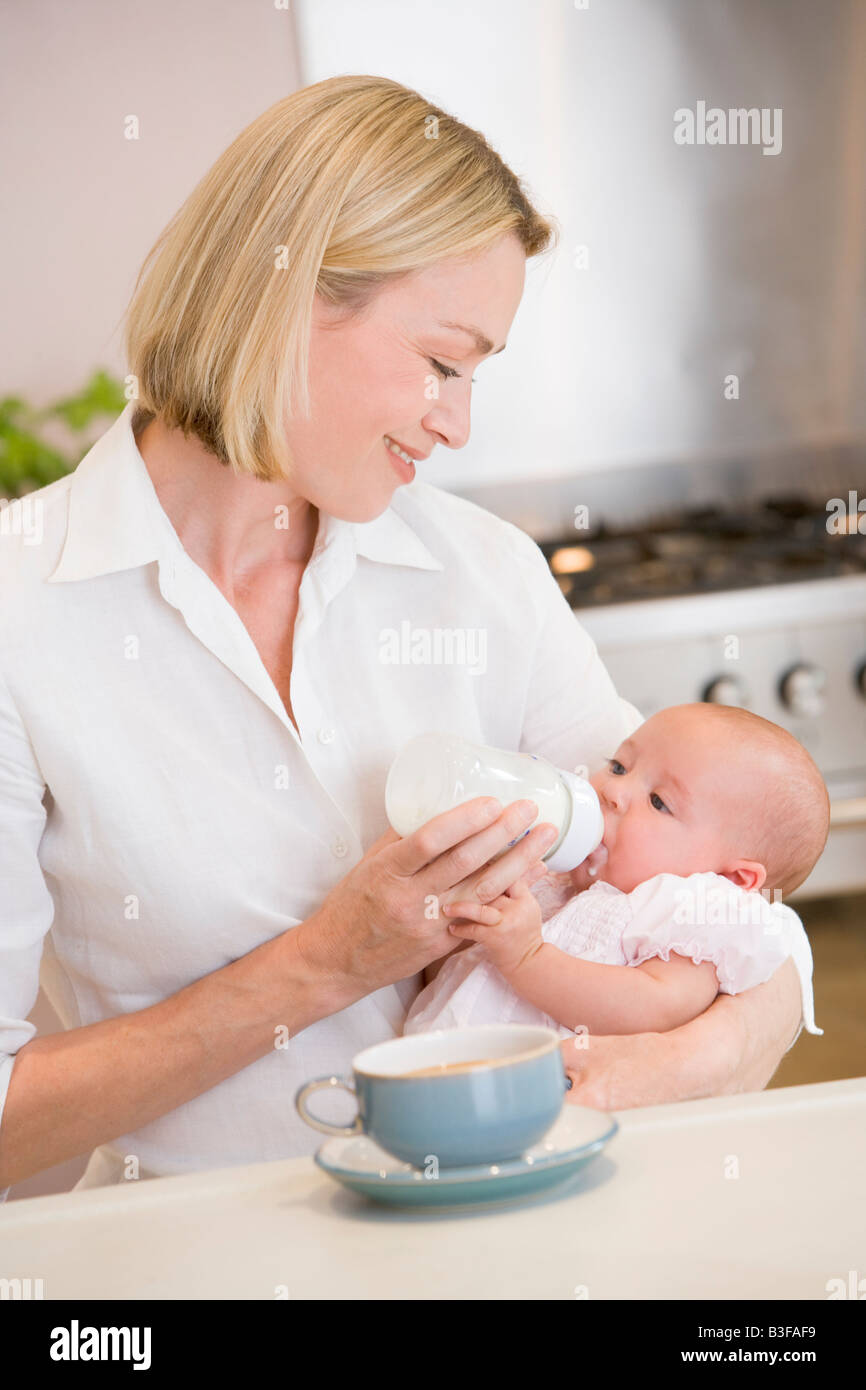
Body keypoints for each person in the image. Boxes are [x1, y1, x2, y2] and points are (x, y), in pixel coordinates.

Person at [0, 76, 803, 1197]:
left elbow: (723, 901)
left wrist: (678, 1060)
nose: (456, 422)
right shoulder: (24, 608)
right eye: (440, 362)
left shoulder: (480, 578)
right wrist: (325, 963)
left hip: (513, 1238)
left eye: (477, 375)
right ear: (282, 297)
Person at [404, 703, 828, 1038]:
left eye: (659, 801)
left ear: (731, 881)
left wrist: (529, 958)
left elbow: (652, 1007)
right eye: (620, 766)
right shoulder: (555, 879)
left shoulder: (689, 911)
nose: (612, 791)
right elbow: (465, 975)